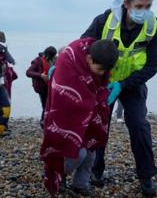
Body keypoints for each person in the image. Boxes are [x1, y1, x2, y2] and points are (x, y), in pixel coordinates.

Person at [81, 0, 157, 195]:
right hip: (103, 83)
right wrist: (61, 64)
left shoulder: (155, 28)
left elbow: (153, 65)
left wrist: (124, 84)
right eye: (139, 6)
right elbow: (82, 46)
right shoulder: (104, 21)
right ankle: (95, 170)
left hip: (132, 84)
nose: (143, 11)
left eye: (148, 7)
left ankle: (146, 176)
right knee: (99, 126)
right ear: (126, 3)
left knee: (138, 124)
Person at [40, 38, 118, 196]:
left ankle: (80, 183)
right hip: (66, 117)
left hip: (89, 115)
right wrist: (89, 102)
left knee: (91, 150)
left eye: (106, 71)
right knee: (77, 153)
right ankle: (58, 173)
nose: (103, 74)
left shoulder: (99, 56)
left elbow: (101, 83)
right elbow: (62, 95)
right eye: (101, 69)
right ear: (89, 59)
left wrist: (105, 91)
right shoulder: (69, 60)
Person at [26, 46, 57, 128]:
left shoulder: (53, 59)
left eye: (53, 57)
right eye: (51, 57)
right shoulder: (37, 61)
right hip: (41, 87)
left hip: (51, 86)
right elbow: (28, 72)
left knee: (50, 104)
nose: (51, 59)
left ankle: (47, 121)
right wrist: (41, 76)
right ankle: (43, 122)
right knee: (45, 104)